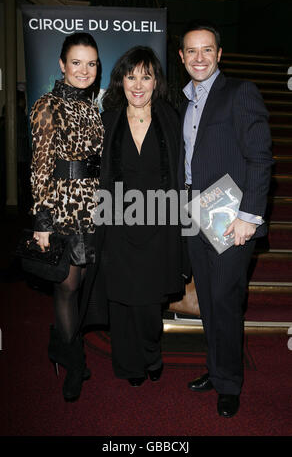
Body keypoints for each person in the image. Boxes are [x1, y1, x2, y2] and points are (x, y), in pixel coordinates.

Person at [178, 21, 273, 417]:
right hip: (195, 214)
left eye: (207, 50)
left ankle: (230, 383)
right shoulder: (185, 100)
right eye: (191, 51)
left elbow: (261, 156)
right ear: (181, 57)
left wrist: (249, 216)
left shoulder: (239, 92)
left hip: (231, 217)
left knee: (226, 302)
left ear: (219, 55)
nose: (199, 58)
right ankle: (216, 372)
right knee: (209, 303)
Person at [97, 46, 183, 386]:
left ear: (155, 81)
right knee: (120, 301)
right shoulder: (109, 119)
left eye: (145, 77)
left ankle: (151, 353)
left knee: (149, 304)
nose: (137, 84)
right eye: (131, 76)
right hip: (117, 224)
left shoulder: (170, 117)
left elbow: (182, 173)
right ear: (121, 80)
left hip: (159, 223)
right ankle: (129, 365)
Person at [30, 32, 104, 401]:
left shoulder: (93, 107)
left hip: (93, 206)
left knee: (82, 286)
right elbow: (40, 167)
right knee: (67, 286)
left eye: (91, 63)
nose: (84, 70)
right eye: (76, 62)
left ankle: (61, 343)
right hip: (62, 207)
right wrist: (42, 223)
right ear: (62, 65)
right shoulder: (47, 105)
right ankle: (74, 362)